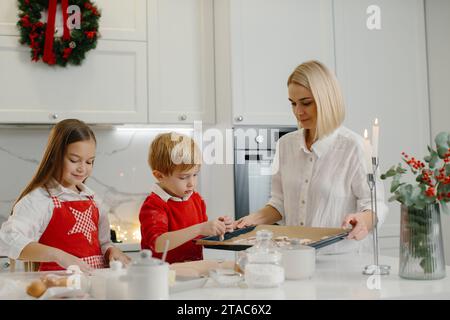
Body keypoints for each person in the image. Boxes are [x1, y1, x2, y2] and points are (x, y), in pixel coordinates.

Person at [234, 60, 388, 253]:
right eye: (293, 103)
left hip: (340, 261)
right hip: (295, 257)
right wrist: (250, 221)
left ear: (326, 100)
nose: (298, 112)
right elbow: (279, 204)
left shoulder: (355, 147)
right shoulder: (286, 145)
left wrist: (362, 220)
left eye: (306, 103)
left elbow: (374, 205)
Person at [0, 119, 130, 272]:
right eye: (74, 160)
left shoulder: (93, 199)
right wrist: (58, 255)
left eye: (89, 162)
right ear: (55, 156)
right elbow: (7, 239)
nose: (82, 168)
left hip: (94, 285)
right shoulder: (40, 199)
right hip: (57, 286)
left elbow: (104, 244)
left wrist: (111, 250)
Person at [139, 132, 233, 264]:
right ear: (159, 176)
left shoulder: (195, 199)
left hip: (193, 272)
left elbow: (199, 236)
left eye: (195, 175)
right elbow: (158, 243)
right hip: (163, 276)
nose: (192, 183)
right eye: (183, 177)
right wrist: (200, 228)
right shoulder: (154, 205)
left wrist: (217, 228)